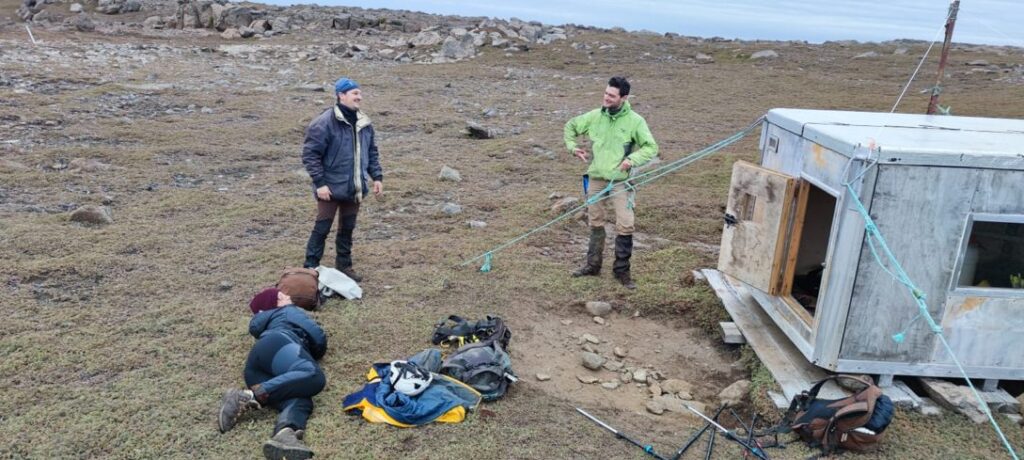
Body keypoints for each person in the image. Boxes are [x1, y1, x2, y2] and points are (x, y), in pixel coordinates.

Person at [563, 76, 658, 289]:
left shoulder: (635, 121)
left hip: (621, 181)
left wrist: (631, 160)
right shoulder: (594, 116)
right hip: (596, 178)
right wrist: (573, 148)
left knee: (626, 223)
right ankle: (593, 266)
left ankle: (621, 272)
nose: (606, 98)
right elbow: (570, 127)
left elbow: (651, 147)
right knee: (595, 221)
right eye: (606, 93)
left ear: (624, 98)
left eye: (612, 96)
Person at [218, 288, 328, 460]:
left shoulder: (269, 323)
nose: (288, 296)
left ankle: (285, 434)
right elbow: (317, 336)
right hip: (280, 343)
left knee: (301, 398)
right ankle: (247, 397)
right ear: (274, 304)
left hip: (256, 370)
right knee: (314, 375)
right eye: (282, 296)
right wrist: (314, 351)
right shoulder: (287, 311)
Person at [301, 77, 383, 282]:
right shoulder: (324, 122)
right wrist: (320, 183)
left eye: (360, 93)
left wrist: (377, 177)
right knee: (322, 228)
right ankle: (310, 268)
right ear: (341, 95)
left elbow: (371, 152)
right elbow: (310, 155)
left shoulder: (364, 122)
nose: (359, 97)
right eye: (355, 93)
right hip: (329, 188)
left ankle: (344, 266)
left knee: (347, 228)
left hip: (355, 187)